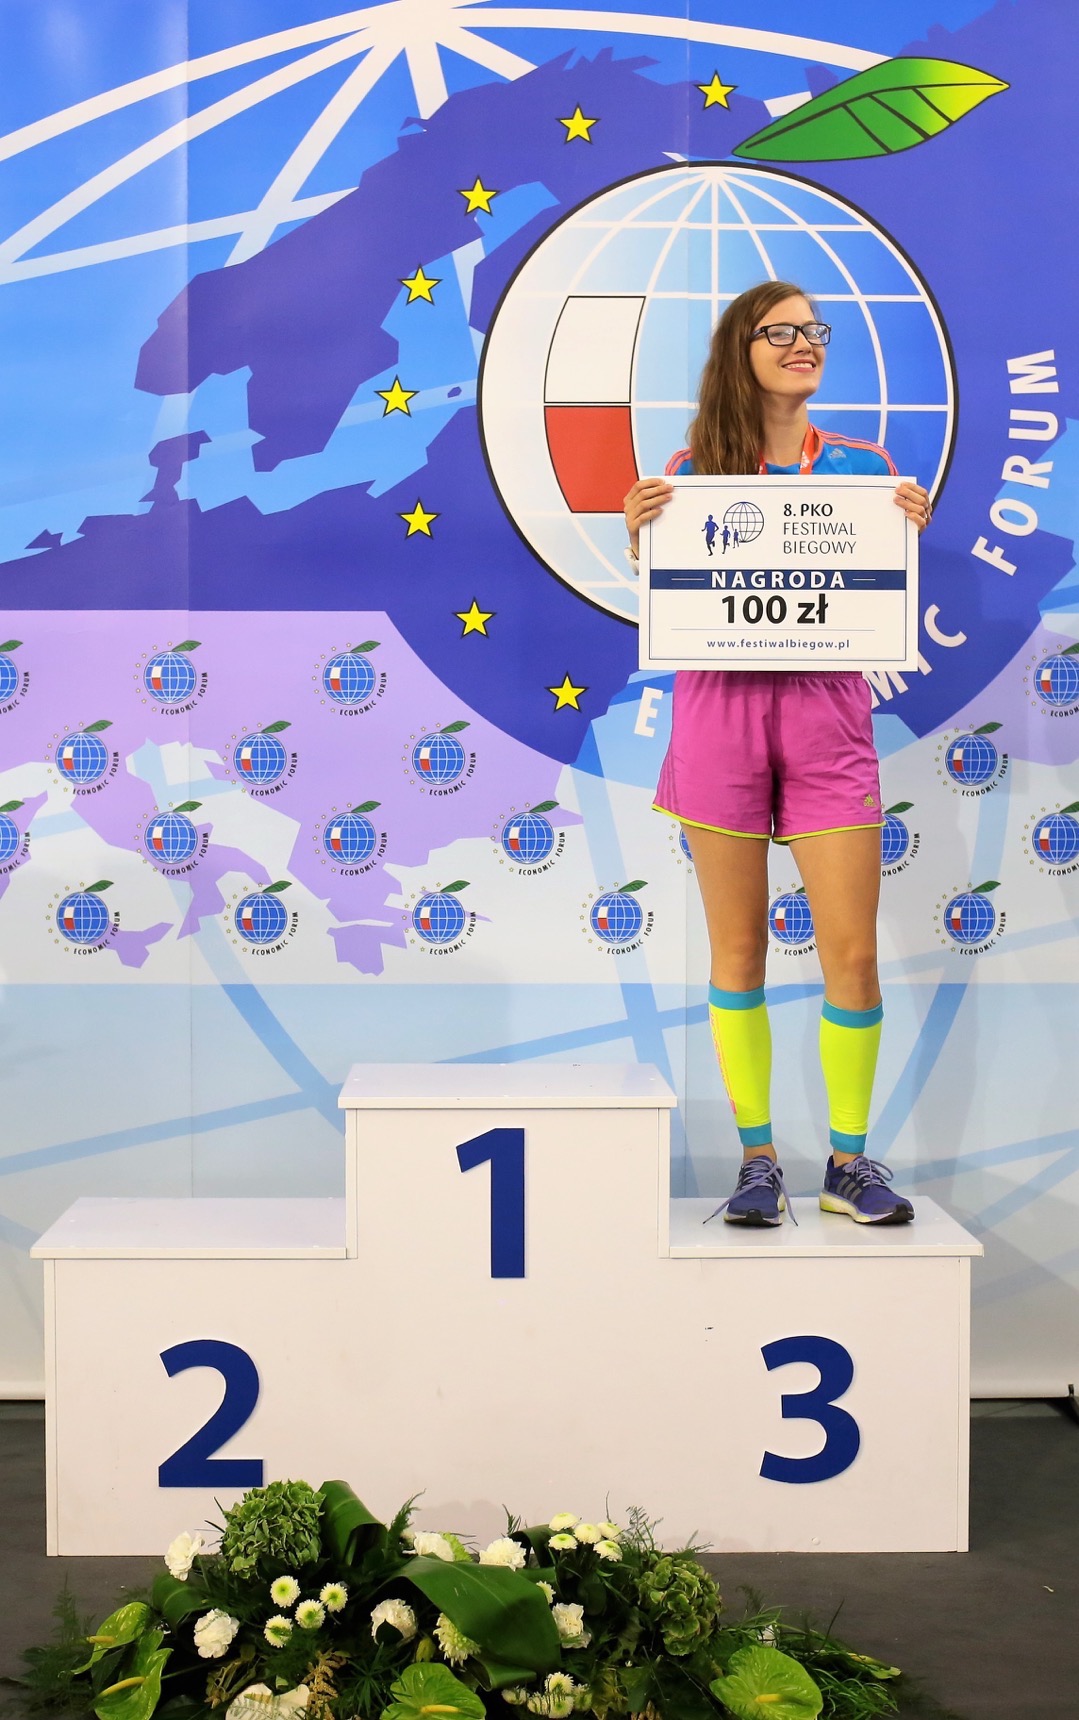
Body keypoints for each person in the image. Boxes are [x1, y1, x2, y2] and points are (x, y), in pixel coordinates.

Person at [623, 281, 931, 1226]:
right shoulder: (689, 472)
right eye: (781, 331)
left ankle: (847, 1164)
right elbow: (675, 589)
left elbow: (871, 588)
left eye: (813, 330)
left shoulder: (866, 470)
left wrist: (903, 530)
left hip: (825, 719)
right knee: (738, 949)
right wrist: (641, 541)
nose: (805, 343)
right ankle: (757, 1162)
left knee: (852, 955)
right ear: (741, 350)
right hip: (718, 715)